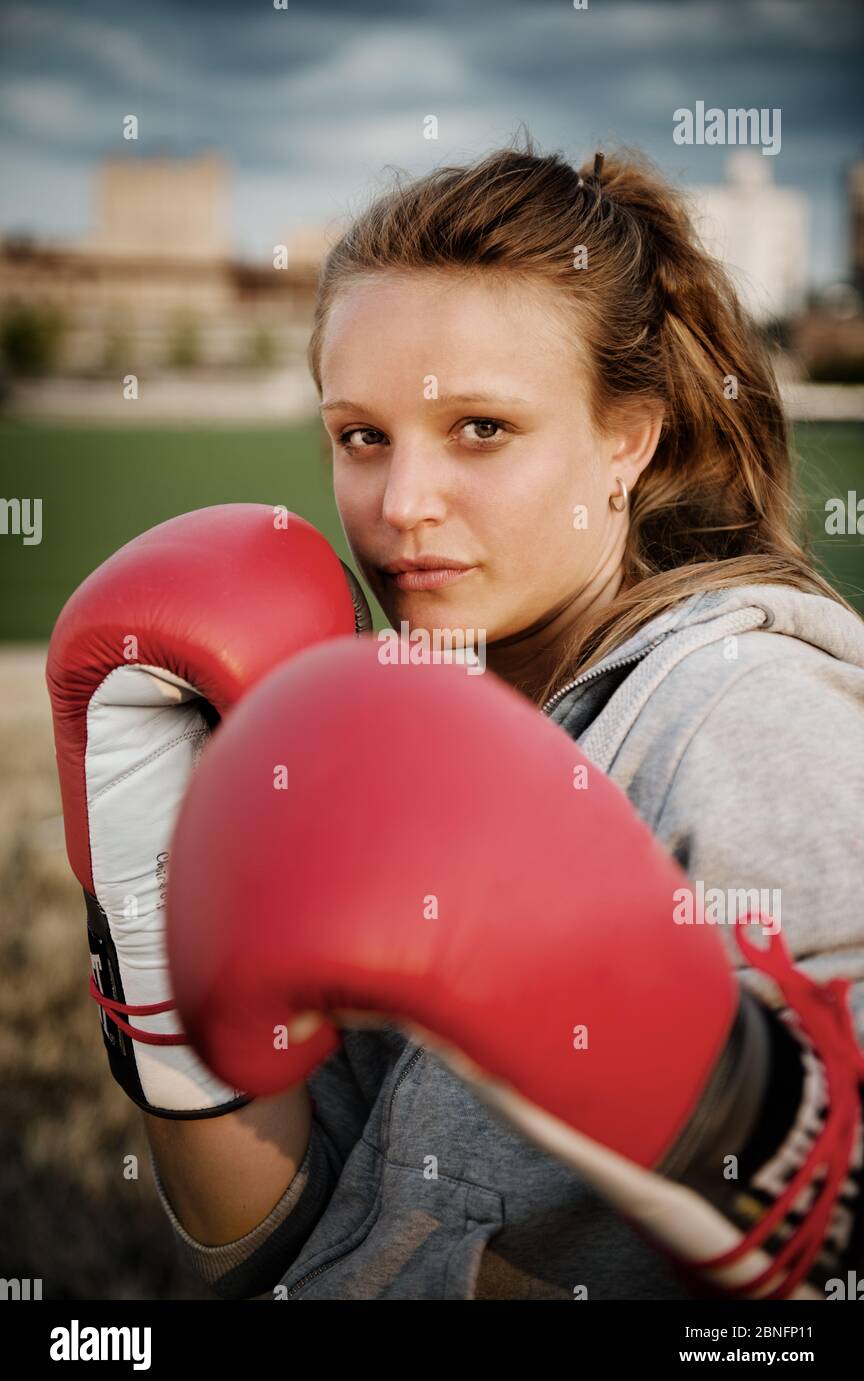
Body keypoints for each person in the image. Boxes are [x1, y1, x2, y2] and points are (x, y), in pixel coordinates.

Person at [50, 136, 864, 1299]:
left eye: (481, 427)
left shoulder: (746, 718)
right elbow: (262, 1253)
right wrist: (154, 969)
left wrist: (737, 1112)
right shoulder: (387, 729)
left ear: (628, 438)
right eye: (361, 435)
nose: (402, 504)